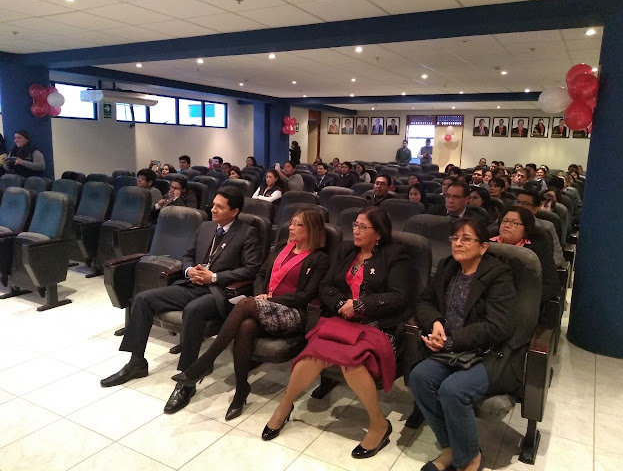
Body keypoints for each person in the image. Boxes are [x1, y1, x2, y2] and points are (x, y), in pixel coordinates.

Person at [263, 207, 411, 460]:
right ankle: (284, 407)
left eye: (363, 227)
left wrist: (360, 306)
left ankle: (379, 424)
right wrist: (342, 303)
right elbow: (326, 286)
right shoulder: (346, 250)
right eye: (355, 225)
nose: (356, 230)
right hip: (343, 320)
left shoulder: (396, 255)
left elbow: (398, 297)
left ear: (378, 233)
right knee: (312, 355)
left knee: (352, 361)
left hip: (380, 325)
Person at [100, 186, 263, 415]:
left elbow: (251, 269)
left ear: (234, 211)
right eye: (214, 204)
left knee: (193, 310)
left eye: (220, 207)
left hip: (220, 293)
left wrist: (214, 276)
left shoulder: (247, 233)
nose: (213, 209)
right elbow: (188, 255)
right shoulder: (206, 227)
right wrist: (189, 270)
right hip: (192, 285)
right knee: (143, 299)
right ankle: (136, 362)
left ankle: (187, 381)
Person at [171, 209, 329, 420]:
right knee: (245, 327)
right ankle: (241, 390)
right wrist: (261, 294)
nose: (290, 227)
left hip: (293, 313)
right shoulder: (282, 247)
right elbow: (261, 274)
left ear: (311, 229)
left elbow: (306, 295)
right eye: (291, 222)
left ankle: (205, 361)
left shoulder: (320, 259)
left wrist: (269, 300)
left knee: (246, 304)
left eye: (298, 224)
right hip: (265, 305)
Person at [410, 217, 520, 471]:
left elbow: (498, 327)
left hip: (488, 354)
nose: (458, 243)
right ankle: (454, 450)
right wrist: (436, 323)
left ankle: (471, 460)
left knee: (453, 390)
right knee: (420, 378)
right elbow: (424, 301)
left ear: (483, 247)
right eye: (455, 238)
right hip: (451, 350)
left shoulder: (498, 275)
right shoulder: (448, 266)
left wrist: (450, 341)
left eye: (466, 239)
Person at [490, 207, 561, 303]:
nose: (507, 225)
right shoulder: (487, 244)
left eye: (514, 223)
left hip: (523, 302)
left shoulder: (538, 247)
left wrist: (526, 302)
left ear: (526, 228)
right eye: (505, 221)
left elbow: (551, 285)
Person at [515, 190, 567, 268]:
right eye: (518, 202)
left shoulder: (547, 227)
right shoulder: (503, 223)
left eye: (525, 204)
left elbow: (557, 257)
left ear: (535, 209)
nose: (519, 206)